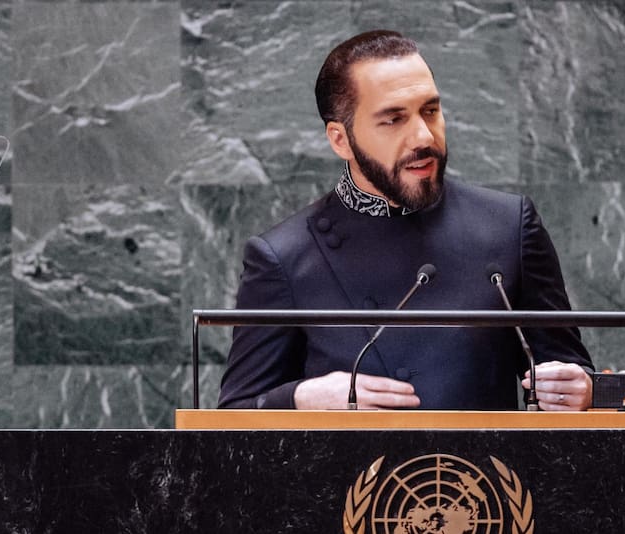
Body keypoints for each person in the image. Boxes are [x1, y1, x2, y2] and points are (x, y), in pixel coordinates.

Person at [218, 30, 593, 411]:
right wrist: (300, 399)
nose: (423, 135)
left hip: (487, 471)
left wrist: (584, 391)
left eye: (430, 111)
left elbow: (573, 375)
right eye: (393, 119)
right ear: (340, 140)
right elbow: (231, 417)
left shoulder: (509, 226)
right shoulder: (284, 256)